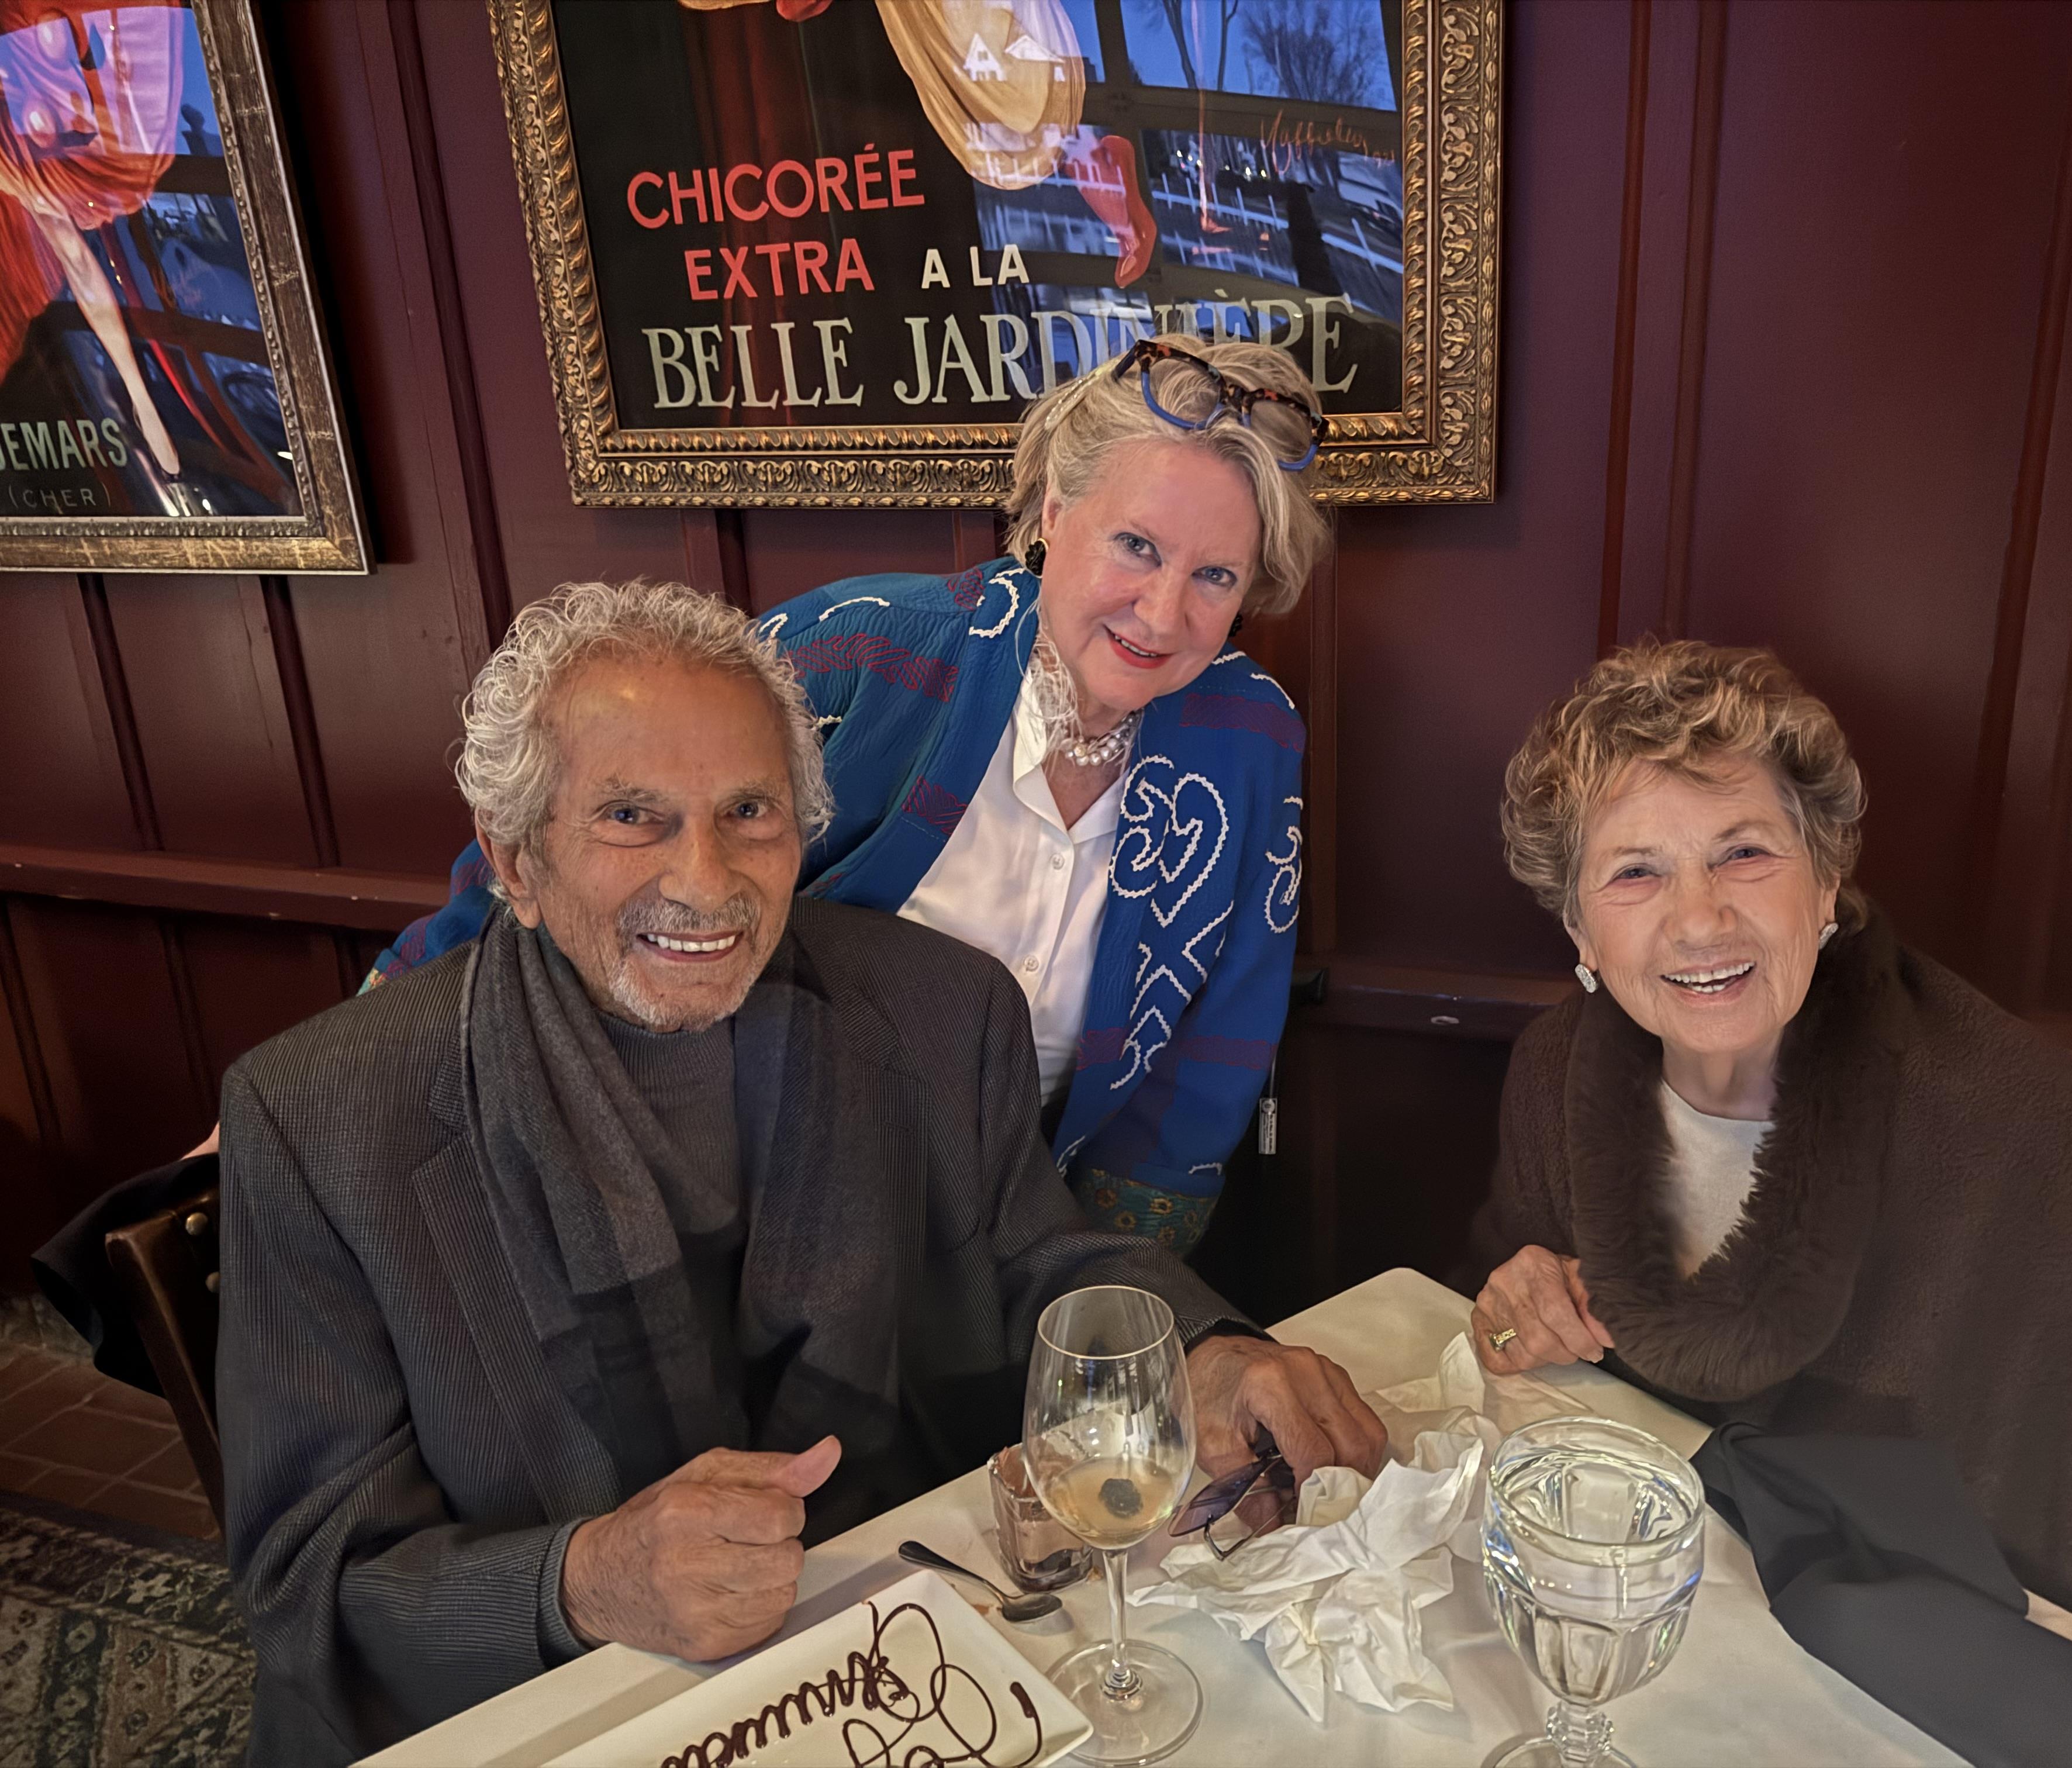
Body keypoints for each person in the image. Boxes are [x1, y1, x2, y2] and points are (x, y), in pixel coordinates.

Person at [218, 580, 1386, 1766]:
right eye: (633, 816)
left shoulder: (937, 1008)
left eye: (750, 811)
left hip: (901, 1654)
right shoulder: (322, 1119)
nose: (706, 879)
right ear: (515, 866)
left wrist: (1206, 1349)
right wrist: (582, 1584)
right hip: (558, 1707)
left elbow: (1034, 1256)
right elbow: (308, 1570)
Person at [1465, 640, 2072, 1752]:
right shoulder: (1557, 1075)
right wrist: (1517, 1300)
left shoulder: (1992, 1117)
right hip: (1701, 1602)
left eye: (1744, 853)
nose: (1697, 921)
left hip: (1965, 1654)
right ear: (1579, 929)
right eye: (1635, 872)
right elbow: (1503, 1325)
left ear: (1825, 880)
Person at [366, 332, 1332, 1254]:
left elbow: (1211, 1055)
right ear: (1052, 514)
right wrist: (350, 1092)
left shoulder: (1250, 739)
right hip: (738, 1184)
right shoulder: (860, 649)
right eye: (1136, 546)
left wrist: (1103, 1302)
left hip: (1026, 1217)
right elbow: (539, 859)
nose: (1164, 613)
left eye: (1215, 574)